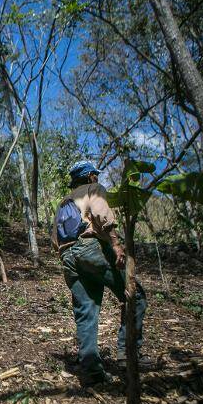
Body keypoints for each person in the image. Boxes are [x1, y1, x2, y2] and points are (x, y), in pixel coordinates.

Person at [51, 161, 153, 386]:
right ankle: (129, 355)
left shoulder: (63, 202)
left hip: (68, 258)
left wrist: (68, 256)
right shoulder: (93, 190)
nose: (96, 179)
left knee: (86, 311)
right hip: (91, 249)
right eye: (94, 176)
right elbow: (101, 213)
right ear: (90, 177)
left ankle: (92, 373)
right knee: (135, 296)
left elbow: (55, 238)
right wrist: (116, 244)